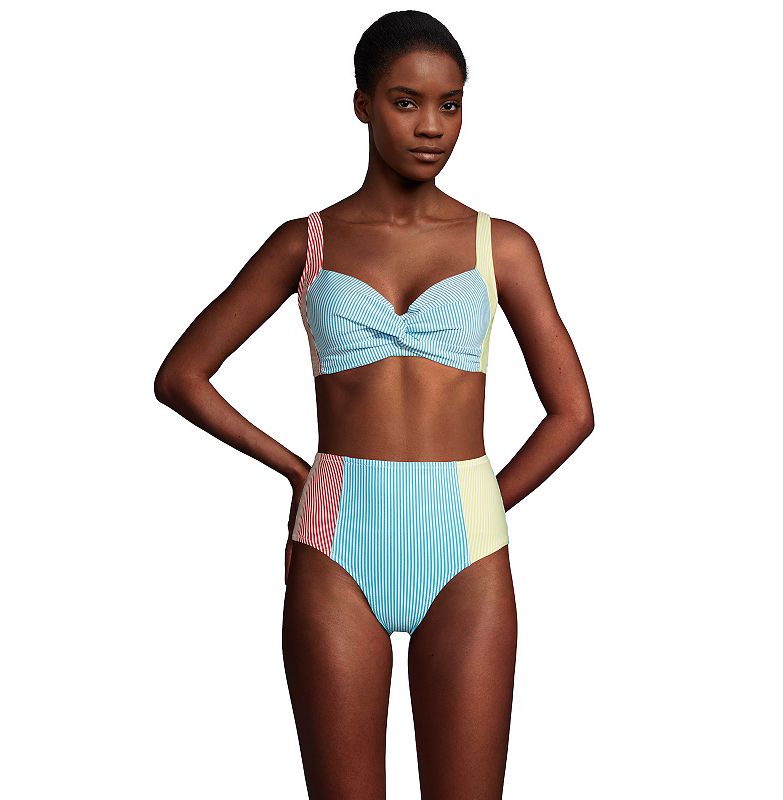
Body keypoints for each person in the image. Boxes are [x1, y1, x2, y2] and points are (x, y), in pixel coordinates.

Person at [154, 10, 593, 799]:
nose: (432, 127)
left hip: (466, 548)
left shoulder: (501, 245)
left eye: (450, 104)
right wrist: (297, 473)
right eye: (405, 101)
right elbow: (182, 375)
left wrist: (486, 501)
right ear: (362, 104)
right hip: (336, 541)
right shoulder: (306, 242)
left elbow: (573, 413)